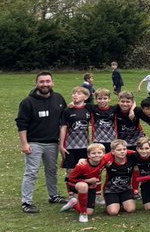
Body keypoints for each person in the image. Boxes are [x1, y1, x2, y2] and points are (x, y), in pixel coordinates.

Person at [16, 71, 69, 213]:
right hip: (34, 143)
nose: (45, 84)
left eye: (47, 81)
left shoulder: (58, 98)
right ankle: (26, 202)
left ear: (52, 83)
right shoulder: (28, 102)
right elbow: (22, 124)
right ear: (36, 84)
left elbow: (65, 119)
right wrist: (24, 143)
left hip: (52, 143)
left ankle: (53, 196)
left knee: (51, 171)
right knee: (31, 172)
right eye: (42, 82)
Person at [66, 143, 110, 223]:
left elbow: (115, 153)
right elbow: (71, 179)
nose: (97, 155)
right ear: (88, 155)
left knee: (90, 212)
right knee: (84, 186)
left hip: (92, 186)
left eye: (99, 153)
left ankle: (74, 204)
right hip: (76, 185)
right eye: (93, 153)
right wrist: (87, 181)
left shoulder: (104, 160)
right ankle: (83, 214)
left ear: (104, 154)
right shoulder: (82, 165)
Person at [103, 139, 138, 216]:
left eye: (124, 149)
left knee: (131, 209)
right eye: (119, 150)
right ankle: (112, 202)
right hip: (111, 190)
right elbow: (94, 161)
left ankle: (121, 201)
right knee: (113, 212)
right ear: (112, 152)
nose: (122, 151)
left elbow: (144, 154)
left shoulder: (132, 156)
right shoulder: (107, 159)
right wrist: (82, 160)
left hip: (126, 189)